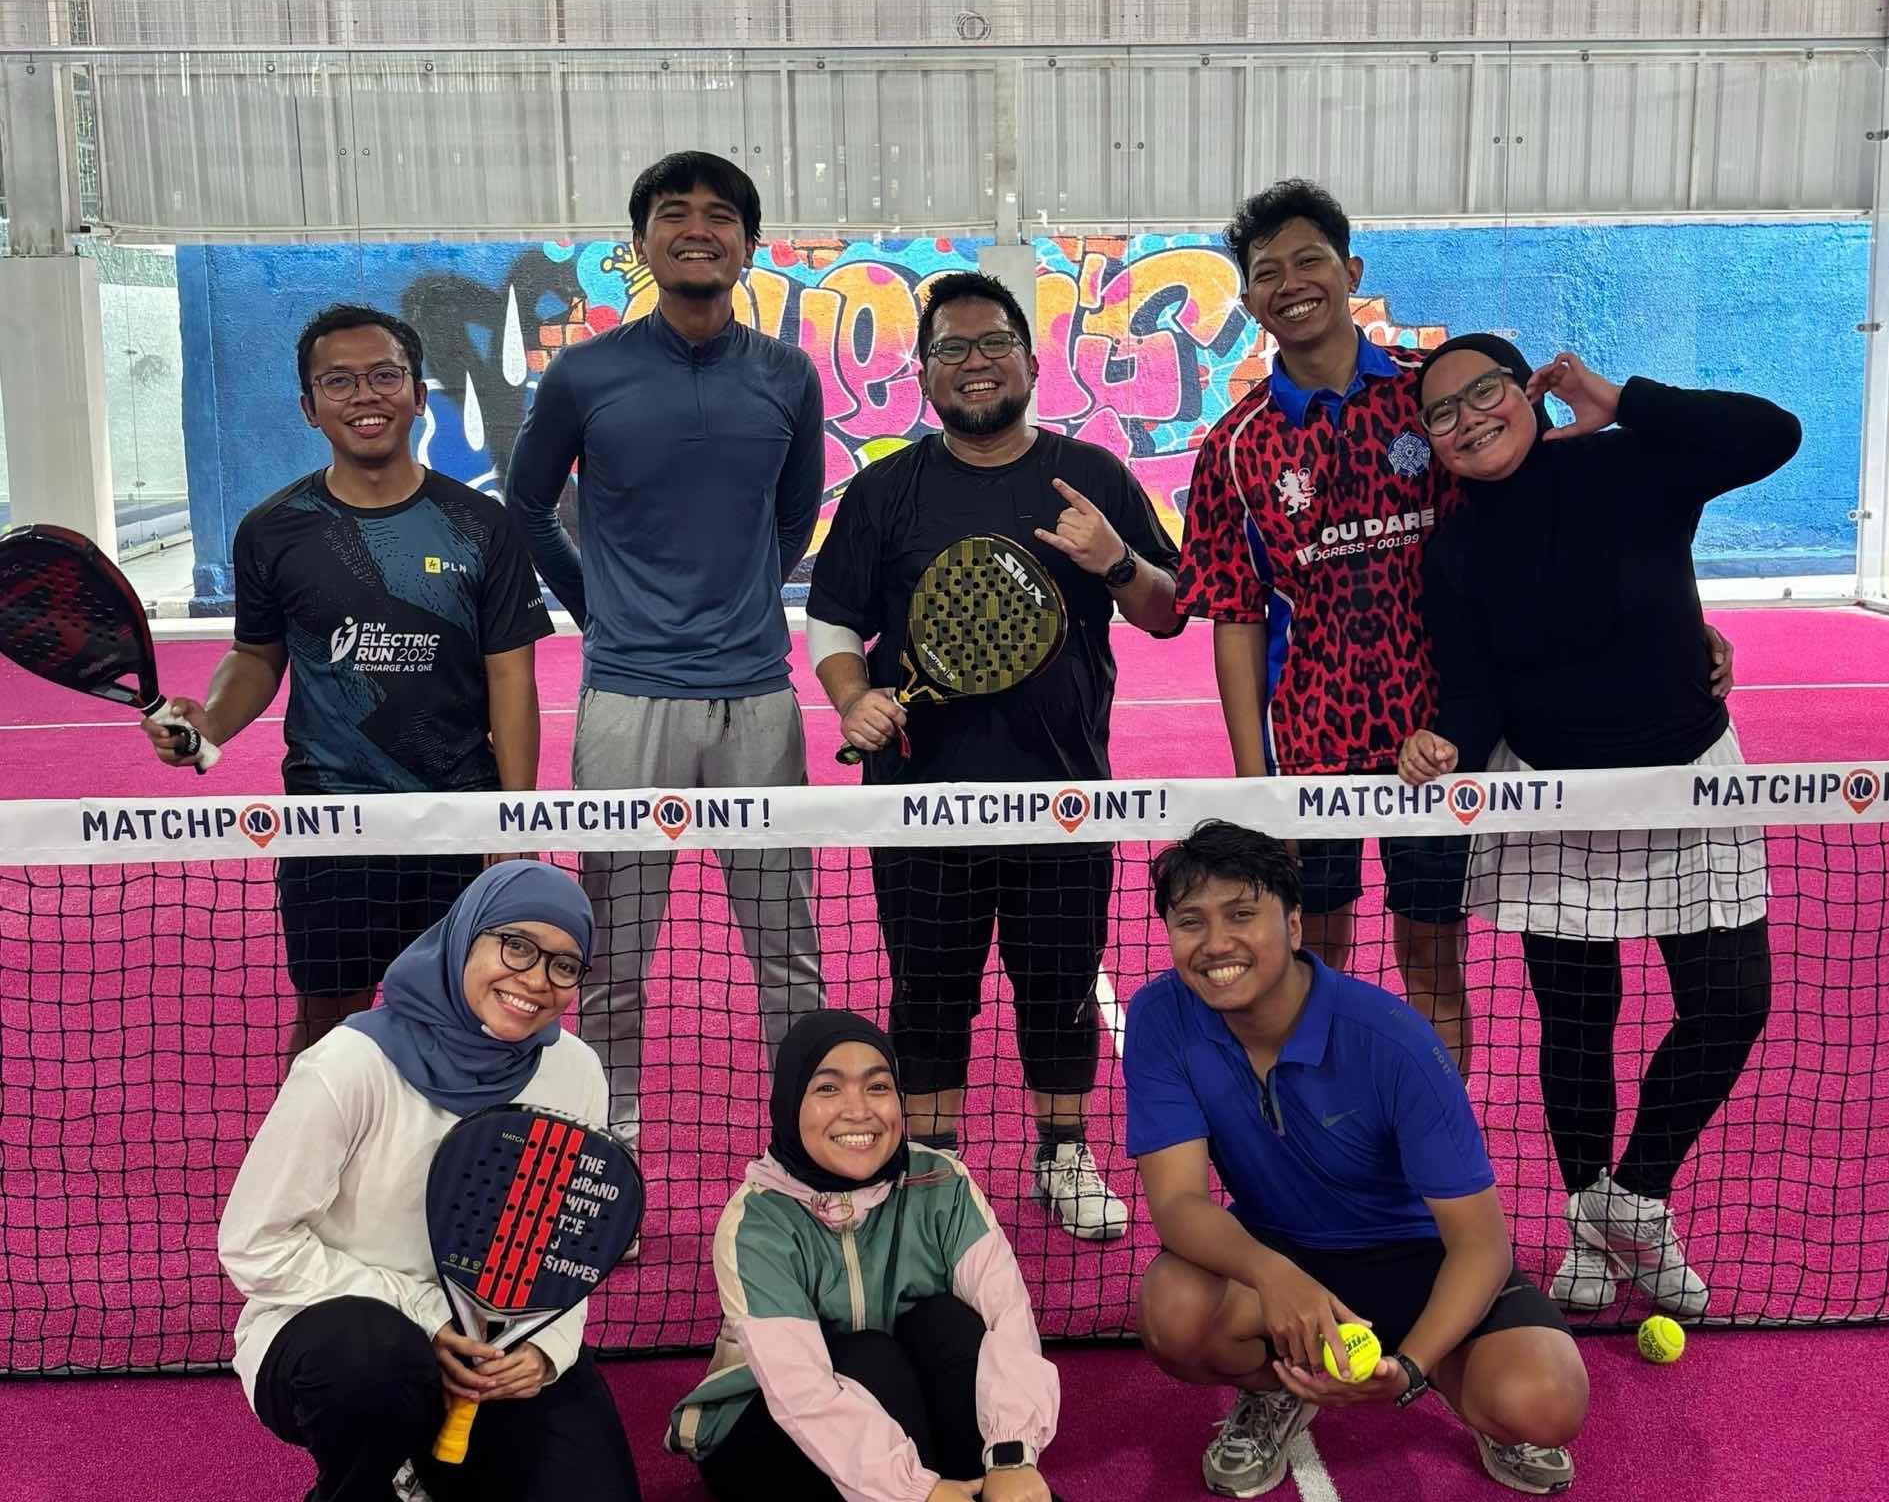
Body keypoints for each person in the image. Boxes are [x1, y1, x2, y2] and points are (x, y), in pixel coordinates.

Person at [1172, 179, 1733, 1075]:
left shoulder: (1433, 397)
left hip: (1442, 737)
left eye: (1311, 260)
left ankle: (1436, 1143)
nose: (1292, 284)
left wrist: (1670, 625)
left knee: (1432, 959)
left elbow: (1541, 525)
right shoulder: (1234, 448)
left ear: (1352, 270)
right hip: (1311, 745)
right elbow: (1235, 617)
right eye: (1268, 272)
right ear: (1248, 299)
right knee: (1308, 955)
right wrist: (1255, 788)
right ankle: (1318, 1134)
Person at [1398, 338, 1798, 1319]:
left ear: (1530, 391)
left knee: (1732, 1001)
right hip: (1551, 794)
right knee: (1579, 1021)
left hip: (1688, 777)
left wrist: (1622, 399)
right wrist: (1443, 742)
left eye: (1485, 392)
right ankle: (1588, 1216)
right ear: (1433, 444)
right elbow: (1476, 693)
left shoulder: (1632, 464)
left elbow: (1772, 435)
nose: (1469, 419)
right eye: (1444, 413)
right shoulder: (1453, 552)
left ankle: (1635, 1199)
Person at [806, 269, 1181, 1241]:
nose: (974, 364)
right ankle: (933, 1174)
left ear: (1030, 358)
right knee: (930, 993)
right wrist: (854, 697)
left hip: (1064, 796)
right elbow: (834, 620)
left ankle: (1063, 1154)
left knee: (1060, 986)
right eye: (951, 349)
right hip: (920, 801)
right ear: (924, 373)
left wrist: (1115, 560)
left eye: (993, 344)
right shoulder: (885, 491)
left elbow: (1168, 611)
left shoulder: (1090, 476)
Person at [217, 861, 644, 1502]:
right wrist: (424, 1316)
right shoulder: (348, 1066)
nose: (535, 980)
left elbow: (567, 1240)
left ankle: (425, 1458)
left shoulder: (574, 1072)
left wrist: (544, 1350)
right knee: (371, 1360)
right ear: (463, 937)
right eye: (516, 946)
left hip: (493, 1339)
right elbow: (253, 1244)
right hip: (338, 1330)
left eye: (563, 964)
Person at [507, 151, 824, 1151]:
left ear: (748, 243)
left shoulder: (788, 376)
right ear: (640, 243)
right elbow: (526, 507)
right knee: (610, 955)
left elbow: (794, 518)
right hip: (625, 702)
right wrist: (599, 611)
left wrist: (742, 601)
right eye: (674, 213)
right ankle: (613, 1141)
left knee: (789, 952)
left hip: (758, 700)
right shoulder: (583, 375)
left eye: (720, 214)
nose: (698, 228)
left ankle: (807, 1138)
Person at [1124, 821, 1588, 1502]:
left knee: (1545, 1402)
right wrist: (1276, 1277)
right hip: (1282, 1249)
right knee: (1173, 1312)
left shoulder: (1394, 1041)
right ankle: (1279, 1389)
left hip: (1419, 1259)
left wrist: (1410, 1367)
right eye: (1191, 921)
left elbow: (1482, 1245)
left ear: (1294, 925)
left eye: (1242, 915)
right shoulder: (1161, 1017)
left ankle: (1449, 1368)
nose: (1216, 943)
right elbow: (1177, 1205)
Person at [669, 1009, 1102, 1502]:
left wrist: (1011, 1456)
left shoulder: (941, 1182)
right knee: (867, 1357)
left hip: (907, 1451)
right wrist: (920, 1497)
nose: (858, 1111)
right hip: (775, 1456)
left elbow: (1008, 1319)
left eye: (877, 1086)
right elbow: (804, 1395)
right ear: (789, 1102)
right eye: (827, 1088)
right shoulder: (758, 1222)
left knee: (949, 1323)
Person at [144, 303, 551, 1063]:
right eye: (338, 382)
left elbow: (510, 674)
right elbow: (256, 655)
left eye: (384, 376)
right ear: (309, 407)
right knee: (329, 1027)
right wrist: (210, 723)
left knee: (469, 1021)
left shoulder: (481, 525)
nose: (365, 396)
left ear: (418, 395)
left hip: (458, 816)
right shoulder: (272, 529)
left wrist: (512, 818)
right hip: (328, 819)